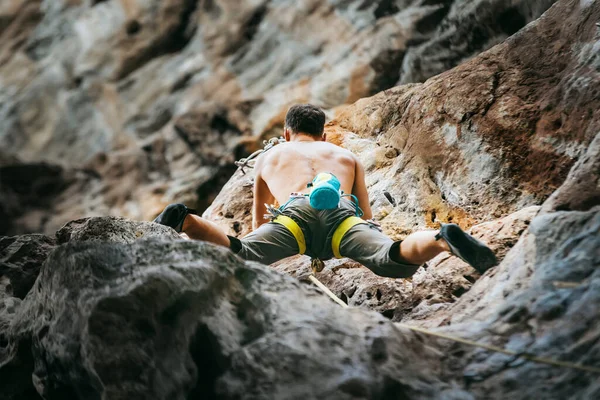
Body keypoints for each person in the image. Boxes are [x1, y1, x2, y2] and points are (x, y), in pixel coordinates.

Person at [154, 104, 497, 278]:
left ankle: (185, 219)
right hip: (342, 220)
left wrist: (271, 248)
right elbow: (366, 216)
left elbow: (259, 222)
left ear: (287, 133)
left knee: (241, 251)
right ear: (322, 135)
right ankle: (441, 239)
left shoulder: (269, 158)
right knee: (391, 258)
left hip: (292, 220)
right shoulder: (345, 156)